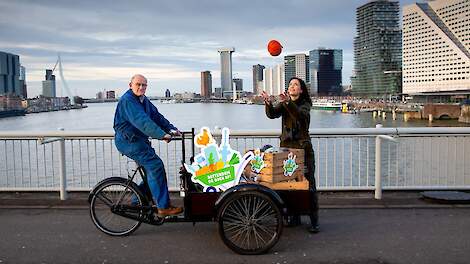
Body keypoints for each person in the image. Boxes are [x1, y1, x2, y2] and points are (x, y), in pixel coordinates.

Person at [113, 74, 183, 217]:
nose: (141, 87)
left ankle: (136, 201)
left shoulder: (143, 100)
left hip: (137, 141)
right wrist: (161, 135)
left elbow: (156, 117)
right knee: (156, 166)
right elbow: (142, 121)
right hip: (129, 142)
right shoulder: (128, 100)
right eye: (138, 84)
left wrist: (171, 129)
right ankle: (163, 208)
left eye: (144, 85)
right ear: (130, 85)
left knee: (151, 172)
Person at [261, 77, 320, 233]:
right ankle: (294, 217)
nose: (292, 86)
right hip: (286, 150)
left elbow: (300, 116)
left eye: (296, 85)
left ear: (301, 90)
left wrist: (288, 103)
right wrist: (268, 103)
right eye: (290, 85)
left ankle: (314, 220)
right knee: (289, 184)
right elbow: (272, 114)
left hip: (303, 150)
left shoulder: (306, 105)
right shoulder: (285, 104)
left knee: (309, 185)